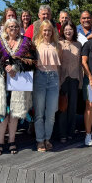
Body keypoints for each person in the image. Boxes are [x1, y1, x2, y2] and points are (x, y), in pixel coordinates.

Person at [0, 18, 35, 155]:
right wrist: (4, 68)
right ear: (6, 28)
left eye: (15, 26)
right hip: (1, 83)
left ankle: (12, 141)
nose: (13, 29)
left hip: (18, 82)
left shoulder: (26, 43)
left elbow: (32, 60)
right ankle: (0, 142)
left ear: (19, 28)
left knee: (14, 112)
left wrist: (16, 67)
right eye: (10, 27)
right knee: (2, 112)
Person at [33, 20, 61, 152]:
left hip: (54, 78)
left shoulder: (57, 45)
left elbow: (59, 66)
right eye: (44, 30)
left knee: (50, 113)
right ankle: (40, 140)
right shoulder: (36, 44)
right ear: (41, 31)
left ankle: (47, 138)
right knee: (39, 113)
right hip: (40, 77)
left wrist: (58, 82)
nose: (47, 32)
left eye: (49, 30)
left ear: (52, 31)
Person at [58, 20, 83, 142]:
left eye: (70, 29)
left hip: (74, 79)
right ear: (63, 31)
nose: (68, 31)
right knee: (63, 107)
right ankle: (62, 133)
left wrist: (81, 81)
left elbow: (80, 65)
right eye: (66, 29)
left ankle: (70, 132)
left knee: (72, 107)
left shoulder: (78, 44)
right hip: (62, 79)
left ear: (74, 30)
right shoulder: (59, 44)